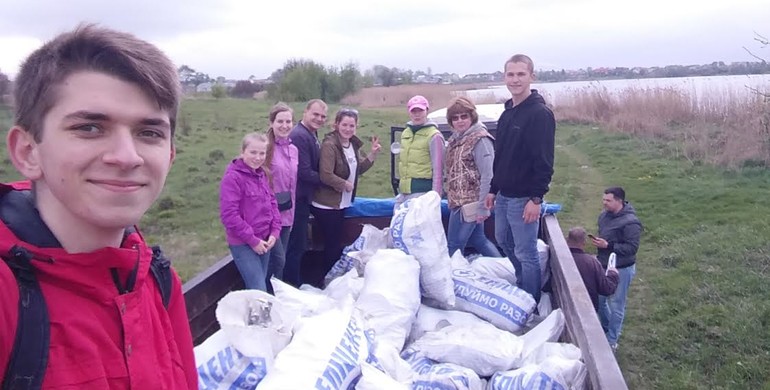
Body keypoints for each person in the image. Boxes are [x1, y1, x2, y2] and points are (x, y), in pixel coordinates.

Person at [0, 24, 196, 388]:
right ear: (28, 152)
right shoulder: (8, 298)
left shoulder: (159, 283)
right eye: (89, 128)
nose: (126, 156)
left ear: (169, 156)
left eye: (149, 132)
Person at [485, 54, 556, 303]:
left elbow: (544, 160)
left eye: (521, 74)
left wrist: (536, 198)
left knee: (526, 252)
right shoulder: (507, 114)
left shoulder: (539, 114)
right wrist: (493, 189)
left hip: (525, 196)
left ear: (531, 77)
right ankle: (523, 281)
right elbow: (500, 156)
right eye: (510, 74)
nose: (515, 80)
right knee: (503, 240)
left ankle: (531, 303)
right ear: (504, 77)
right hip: (504, 194)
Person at [311, 108, 380, 286]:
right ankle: (327, 282)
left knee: (335, 243)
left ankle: (333, 280)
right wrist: (344, 184)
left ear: (356, 127)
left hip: (342, 203)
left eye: (352, 125)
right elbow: (325, 174)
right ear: (336, 125)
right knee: (332, 244)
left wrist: (372, 155)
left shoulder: (352, 145)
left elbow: (356, 171)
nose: (348, 129)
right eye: (344, 125)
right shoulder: (330, 145)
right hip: (327, 205)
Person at [219, 133, 281, 292]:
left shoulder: (262, 174)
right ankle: (258, 317)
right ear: (243, 151)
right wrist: (253, 240)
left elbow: (272, 203)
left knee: (260, 284)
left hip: (265, 240)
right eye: (253, 152)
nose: (258, 157)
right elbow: (229, 215)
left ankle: (257, 316)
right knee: (258, 289)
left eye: (262, 153)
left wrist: (274, 231)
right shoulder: (233, 178)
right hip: (244, 243)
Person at [444, 96, 501, 258]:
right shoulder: (455, 140)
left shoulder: (480, 139)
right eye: (455, 118)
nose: (460, 121)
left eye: (464, 116)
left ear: (472, 116)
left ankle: (453, 277)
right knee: (478, 239)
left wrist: (483, 207)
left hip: (470, 203)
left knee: (454, 245)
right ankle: (505, 270)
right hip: (457, 202)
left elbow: (488, 175)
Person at [590, 186, 642, 352]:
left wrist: (609, 246)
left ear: (619, 201)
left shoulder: (631, 222)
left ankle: (612, 340)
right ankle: (606, 327)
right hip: (603, 264)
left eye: (608, 200)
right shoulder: (604, 216)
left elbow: (632, 248)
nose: (604, 203)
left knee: (617, 303)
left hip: (622, 268)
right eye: (603, 199)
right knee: (600, 299)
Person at [284, 99, 328, 287]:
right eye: (315, 114)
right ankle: (291, 284)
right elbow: (303, 172)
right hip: (297, 198)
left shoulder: (311, 133)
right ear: (305, 112)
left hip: (305, 197)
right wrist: (331, 180)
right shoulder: (300, 136)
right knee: (296, 244)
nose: (319, 119)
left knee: (299, 242)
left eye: (323, 116)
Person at [264, 102, 298, 288]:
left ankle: (276, 297)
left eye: (288, 121)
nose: (284, 125)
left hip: (287, 212)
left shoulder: (294, 150)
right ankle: (267, 295)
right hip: (268, 214)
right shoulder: (265, 148)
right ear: (271, 123)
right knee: (277, 260)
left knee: (280, 260)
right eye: (280, 121)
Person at [395, 95, 444, 209]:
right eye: (414, 111)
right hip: (404, 191)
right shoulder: (406, 133)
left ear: (427, 111)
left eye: (420, 110)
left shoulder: (434, 136)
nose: (417, 114)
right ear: (409, 113)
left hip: (423, 192)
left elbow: (438, 169)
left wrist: (435, 196)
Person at [566, 227, 619, 311]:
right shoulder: (591, 262)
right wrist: (613, 274)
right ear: (584, 243)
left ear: (567, 240)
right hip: (586, 308)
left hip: (564, 303)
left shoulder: (560, 257)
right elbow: (606, 289)